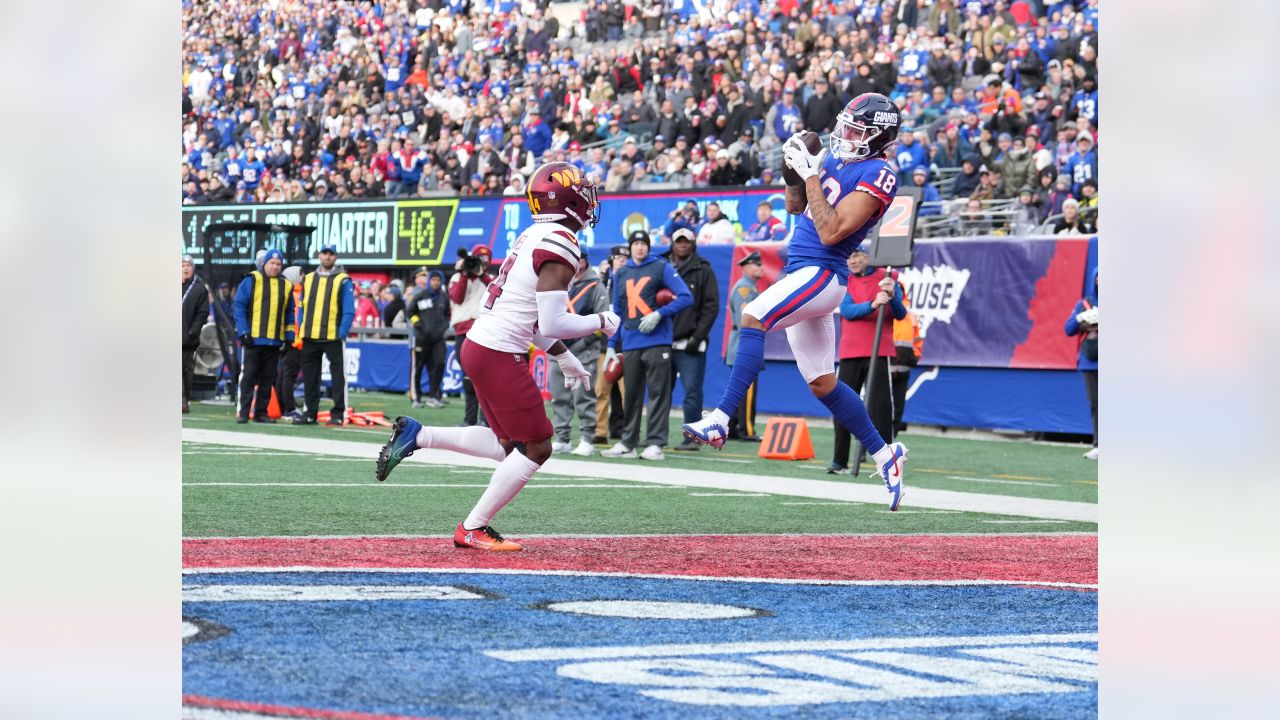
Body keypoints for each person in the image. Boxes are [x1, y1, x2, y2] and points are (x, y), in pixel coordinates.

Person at [682, 93, 911, 510]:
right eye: (845, 125)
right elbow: (795, 207)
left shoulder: (880, 173)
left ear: (880, 137)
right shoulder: (838, 162)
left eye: (856, 129)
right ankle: (885, 454)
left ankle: (721, 419)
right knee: (823, 382)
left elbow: (831, 231)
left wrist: (810, 175)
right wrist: (794, 172)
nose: (844, 135)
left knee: (752, 316)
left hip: (824, 273)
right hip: (804, 272)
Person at [376, 161, 620, 552]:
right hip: (497, 351)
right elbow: (555, 322)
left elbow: (535, 320)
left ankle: (419, 435)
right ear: (569, 198)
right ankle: (473, 527)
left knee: (509, 446)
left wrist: (562, 358)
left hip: (480, 345)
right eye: (584, 191)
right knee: (538, 445)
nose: (590, 198)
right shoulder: (561, 242)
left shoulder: (535, 235)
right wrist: (601, 320)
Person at [601, 229, 692, 461]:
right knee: (630, 395)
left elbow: (685, 297)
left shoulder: (661, 267)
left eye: (644, 243)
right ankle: (627, 442)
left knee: (658, 393)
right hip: (630, 342)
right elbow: (618, 313)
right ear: (630, 246)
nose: (640, 247)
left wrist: (659, 314)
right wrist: (612, 345)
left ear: (649, 246)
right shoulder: (621, 273)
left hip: (657, 341)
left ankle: (655, 443)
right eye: (636, 243)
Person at [828, 249, 907, 474]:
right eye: (849, 257)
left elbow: (900, 314)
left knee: (881, 407)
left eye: (857, 256)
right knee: (842, 405)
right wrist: (872, 304)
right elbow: (847, 310)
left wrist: (891, 298)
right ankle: (839, 460)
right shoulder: (844, 279)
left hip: (879, 350)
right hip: (850, 350)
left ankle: (887, 461)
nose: (852, 261)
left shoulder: (889, 278)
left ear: (869, 256)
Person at [660, 228, 720, 451]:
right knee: (661, 392)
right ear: (672, 243)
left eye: (687, 241)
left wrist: (697, 336)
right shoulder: (661, 266)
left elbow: (711, 306)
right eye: (679, 241)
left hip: (690, 343)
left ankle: (693, 438)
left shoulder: (702, 269)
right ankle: (658, 436)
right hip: (663, 340)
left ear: (693, 243)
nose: (683, 245)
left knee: (692, 392)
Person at [549, 249, 610, 457]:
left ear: (586, 261)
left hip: (584, 351)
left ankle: (587, 438)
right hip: (557, 349)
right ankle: (562, 437)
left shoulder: (595, 285)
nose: (578, 264)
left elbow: (604, 319)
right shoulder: (555, 282)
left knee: (584, 396)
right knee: (558, 396)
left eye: (581, 260)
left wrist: (582, 342)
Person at [232, 248, 296, 423]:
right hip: (253, 339)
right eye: (272, 263)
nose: (275, 267)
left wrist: (289, 335)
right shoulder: (252, 280)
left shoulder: (286, 285)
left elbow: (290, 312)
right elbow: (239, 306)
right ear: (265, 263)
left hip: (274, 341)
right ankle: (244, 412)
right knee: (249, 377)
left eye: (278, 264)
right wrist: (244, 331)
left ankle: (261, 413)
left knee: (268, 379)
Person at [295, 245, 355, 426]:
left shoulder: (343, 280)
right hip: (310, 336)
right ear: (319, 255)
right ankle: (310, 412)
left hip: (332, 337)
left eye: (331, 254)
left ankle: (338, 413)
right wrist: (301, 328)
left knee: (338, 377)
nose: (327, 257)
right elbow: (301, 307)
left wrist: (341, 333)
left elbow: (348, 310)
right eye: (325, 253)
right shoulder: (308, 279)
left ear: (335, 257)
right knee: (310, 377)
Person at [448, 244, 494, 425]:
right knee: (468, 378)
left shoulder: (491, 280)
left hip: (483, 330)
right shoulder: (457, 277)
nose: (480, 262)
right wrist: (465, 274)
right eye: (477, 259)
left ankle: (485, 419)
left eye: (485, 259)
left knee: (485, 378)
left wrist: (481, 274)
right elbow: (457, 298)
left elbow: (495, 294)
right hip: (462, 331)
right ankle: (469, 419)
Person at [725, 251, 765, 441]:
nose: (760, 268)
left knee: (739, 388)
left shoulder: (750, 288)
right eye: (756, 265)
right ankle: (746, 429)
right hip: (744, 343)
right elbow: (746, 320)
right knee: (747, 390)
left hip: (738, 343)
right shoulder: (745, 290)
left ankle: (732, 427)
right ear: (746, 267)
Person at [593, 245, 629, 443]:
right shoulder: (603, 282)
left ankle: (629, 433)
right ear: (611, 260)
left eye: (625, 258)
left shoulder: (632, 280)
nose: (621, 260)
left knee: (628, 394)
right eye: (618, 257)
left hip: (626, 345)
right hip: (605, 345)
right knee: (601, 390)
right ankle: (600, 432)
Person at [1065, 267, 1099, 459]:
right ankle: (1099, 444)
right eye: (1099, 277)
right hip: (1090, 361)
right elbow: (1068, 329)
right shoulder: (1084, 303)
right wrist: (1082, 319)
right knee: (1096, 403)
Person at [409, 268, 450, 409]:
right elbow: (410, 311)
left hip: (438, 339)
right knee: (418, 368)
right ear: (429, 281)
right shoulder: (421, 295)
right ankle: (416, 397)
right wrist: (418, 325)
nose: (436, 283)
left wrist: (443, 329)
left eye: (438, 280)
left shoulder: (444, 297)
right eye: (433, 280)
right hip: (421, 338)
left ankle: (433, 396)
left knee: (439, 364)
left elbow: (447, 315)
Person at [181, 255, 210, 414]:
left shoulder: (199, 289)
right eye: (182, 265)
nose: (185, 268)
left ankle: (185, 399)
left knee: (187, 372)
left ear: (193, 268)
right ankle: (181, 401)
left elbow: (203, 312)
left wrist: (193, 331)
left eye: (188, 265)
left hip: (188, 339)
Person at [277, 266, 305, 421]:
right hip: (294, 342)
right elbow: (295, 321)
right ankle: (288, 408)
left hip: (291, 340)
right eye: (300, 274)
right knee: (287, 376)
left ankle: (284, 405)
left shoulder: (294, 293)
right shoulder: (294, 294)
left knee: (283, 375)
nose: (303, 276)